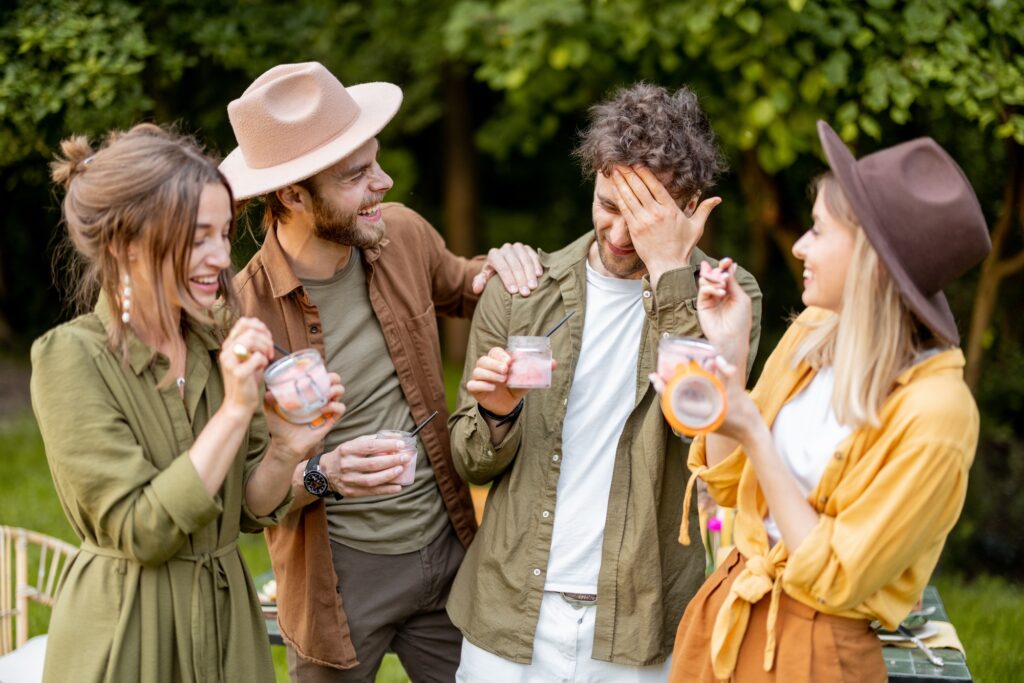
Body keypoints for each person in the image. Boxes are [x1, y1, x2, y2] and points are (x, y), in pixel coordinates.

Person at [219, 62, 543, 681]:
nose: (385, 183)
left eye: (377, 161)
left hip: (448, 547)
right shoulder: (240, 316)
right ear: (291, 195)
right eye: (357, 175)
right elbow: (241, 497)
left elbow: (464, 283)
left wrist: (503, 266)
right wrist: (322, 475)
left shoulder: (400, 235)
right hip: (336, 582)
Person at [447, 83, 763, 681]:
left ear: (691, 207)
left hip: (640, 624)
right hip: (509, 614)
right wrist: (497, 412)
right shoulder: (523, 290)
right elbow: (470, 461)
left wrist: (671, 271)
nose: (619, 235)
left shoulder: (728, 297)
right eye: (608, 205)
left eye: (644, 217)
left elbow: (699, 430)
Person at [668, 121, 992, 682]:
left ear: (868, 253)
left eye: (817, 230)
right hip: (724, 619)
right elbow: (726, 481)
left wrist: (756, 434)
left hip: (815, 655)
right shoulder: (817, 329)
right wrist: (731, 356)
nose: (798, 246)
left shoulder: (939, 413)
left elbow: (835, 579)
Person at [31, 124, 344, 682]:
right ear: (128, 243)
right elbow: (142, 529)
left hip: (228, 634)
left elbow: (247, 508)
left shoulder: (216, 339)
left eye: (224, 235)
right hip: (130, 634)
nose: (219, 256)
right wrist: (232, 412)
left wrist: (284, 450)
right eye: (198, 237)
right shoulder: (71, 360)